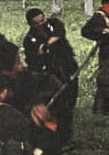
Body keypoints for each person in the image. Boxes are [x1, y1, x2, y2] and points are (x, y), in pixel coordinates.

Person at [22, 8, 80, 143]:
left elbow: (60, 32)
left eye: (42, 20)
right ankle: (56, 137)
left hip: (68, 70)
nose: (41, 24)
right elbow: (33, 63)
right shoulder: (29, 40)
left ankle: (67, 136)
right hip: (51, 76)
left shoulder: (53, 24)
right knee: (58, 106)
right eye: (36, 23)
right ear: (30, 24)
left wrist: (46, 44)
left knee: (70, 103)